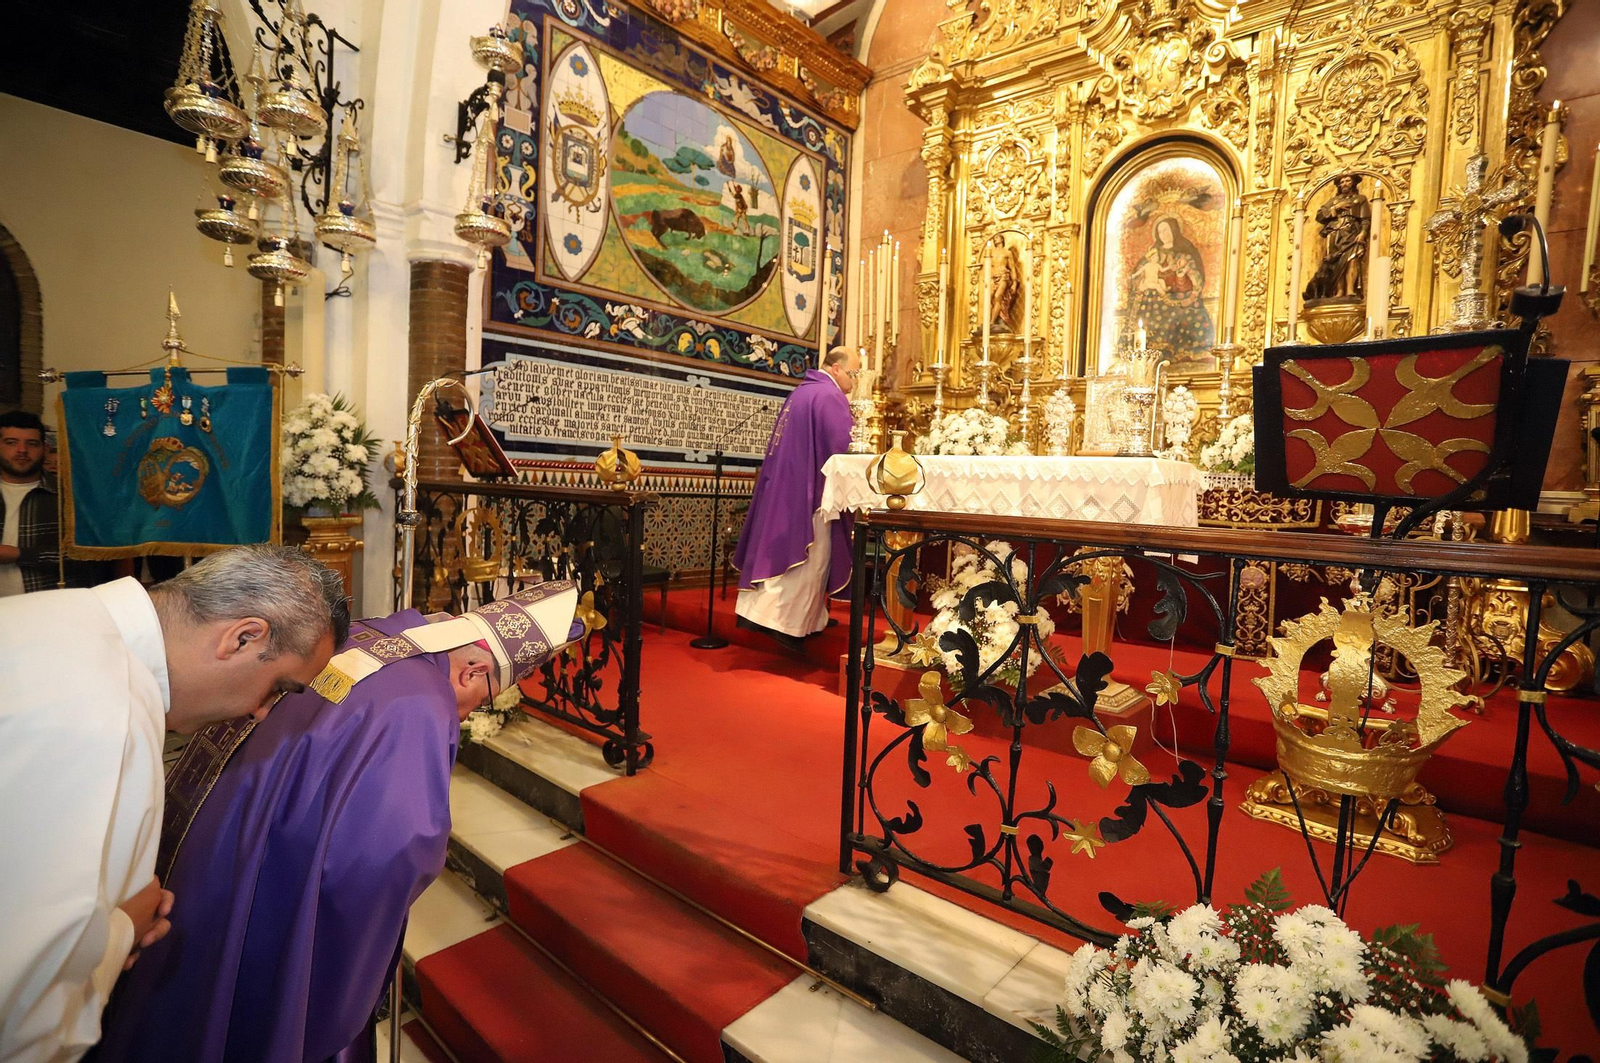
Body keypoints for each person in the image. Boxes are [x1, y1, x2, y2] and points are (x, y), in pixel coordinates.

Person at [89, 582, 585, 1063]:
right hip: (269, 884)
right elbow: (391, 852)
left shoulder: (372, 634)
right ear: (472, 671)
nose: (470, 712)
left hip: (213, 831)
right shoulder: (420, 702)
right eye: (485, 697)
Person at [0, 546, 347, 1063]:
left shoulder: (58, 614)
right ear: (242, 637)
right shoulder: (107, 709)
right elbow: (21, 1014)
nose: (258, 713)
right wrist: (122, 932)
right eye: (277, 688)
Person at [732, 346, 859, 650]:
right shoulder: (828, 396)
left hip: (788, 488)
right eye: (853, 372)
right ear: (837, 368)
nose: (855, 380)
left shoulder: (801, 392)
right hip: (812, 493)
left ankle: (806, 619)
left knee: (795, 556)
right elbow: (843, 447)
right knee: (813, 558)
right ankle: (787, 624)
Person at [1127, 215, 1214, 363]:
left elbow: (1194, 280)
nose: (1163, 235)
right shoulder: (1152, 255)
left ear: (1174, 231)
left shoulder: (1184, 255)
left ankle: (1176, 353)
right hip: (1153, 299)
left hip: (1179, 297)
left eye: (1166, 230)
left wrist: (1182, 280)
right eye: (1160, 232)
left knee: (1186, 315)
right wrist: (1141, 284)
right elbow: (1139, 275)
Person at [0, 410, 58, 596]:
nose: (22, 450)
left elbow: (85, 556)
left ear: (45, 449)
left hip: (48, 608)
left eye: (31, 444)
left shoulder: (66, 497)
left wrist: (20, 554)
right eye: (11, 443)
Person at [1304, 173, 1371, 303]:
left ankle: (1350, 290)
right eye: (1342, 182)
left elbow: (1365, 219)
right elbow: (1320, 216)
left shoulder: (1360, 199)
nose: (1344, 184)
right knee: (1335, 263)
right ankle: (1339, 291)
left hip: (1352, 232)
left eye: (1347, 181)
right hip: (1335, 233)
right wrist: (1335, 208)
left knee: (1351, 259)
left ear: (1353, 183)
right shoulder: (1333, 201)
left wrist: (1363, 232)